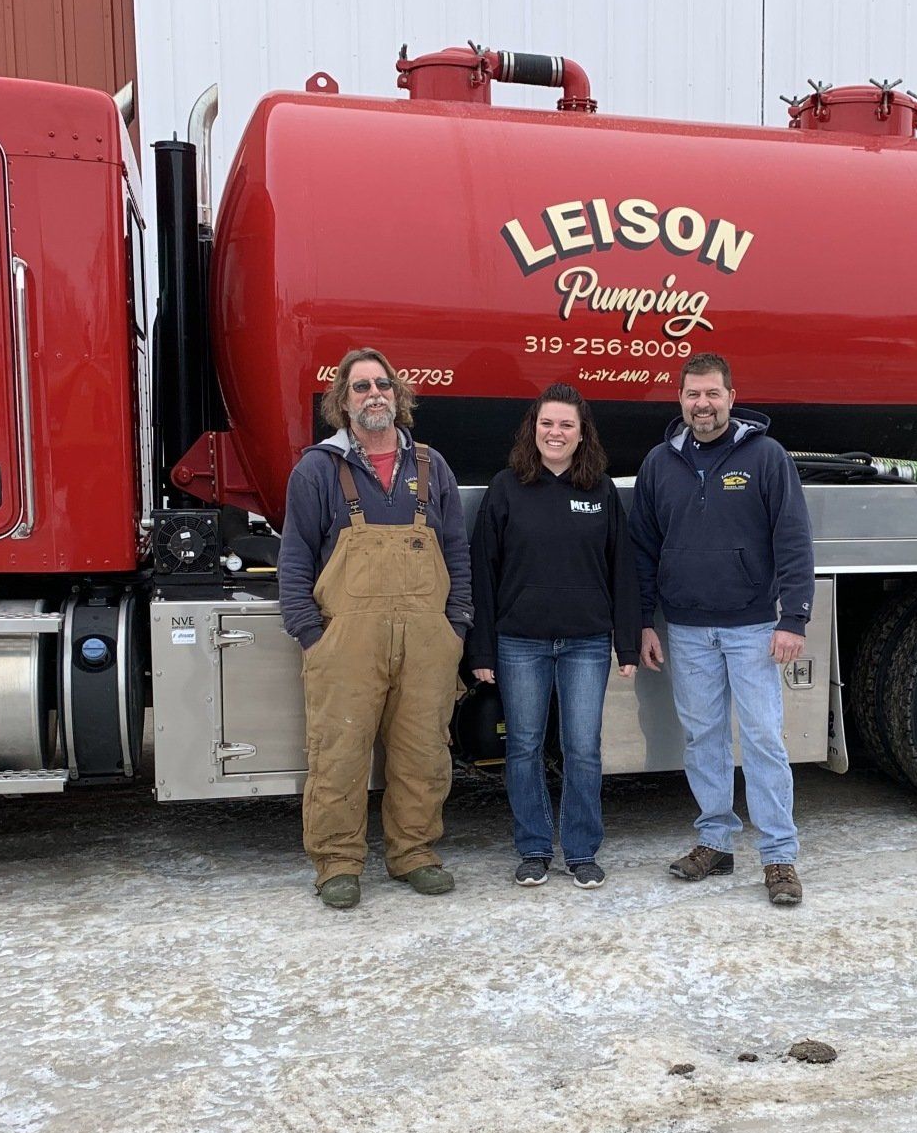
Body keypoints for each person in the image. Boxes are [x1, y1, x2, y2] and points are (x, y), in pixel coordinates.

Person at [279, 347, 473, 910]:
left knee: (422, 753)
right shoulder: (317, 469)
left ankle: (414, 852)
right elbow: (294, 559)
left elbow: (456, 553)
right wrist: (311, 634)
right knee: (339, 751)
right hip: (345, 641)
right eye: (360, 387)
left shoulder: (432, 467)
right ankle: (338, 861)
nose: (373, 395)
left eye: (382, 385)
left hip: (426, 639)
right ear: (343, 401)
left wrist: (455, 626)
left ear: (399, 396)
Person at [627, 353, 815, 906]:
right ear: (679, 400)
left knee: (761, 738)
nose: (702, 404)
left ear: (732, 398)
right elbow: (642, 550)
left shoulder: (766, 458)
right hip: (685, 630)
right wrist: (644, 621)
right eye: (692, 395)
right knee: (701, 738)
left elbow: (794, 540)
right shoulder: (660, 463)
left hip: (753, 628)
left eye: (712, 394)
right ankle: (715, 842)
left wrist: (794, 617)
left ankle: (779, 857)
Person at [468, 384, 640, 889]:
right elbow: (483, 570)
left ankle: (582, 850)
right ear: (533, 430)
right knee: (522, 746)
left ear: (582, 433)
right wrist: (481, 648)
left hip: (586, 642)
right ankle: (534, 848)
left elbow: (622, 571)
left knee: (582, 746)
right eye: (547, 423)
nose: (556, 433)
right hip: (520, 641)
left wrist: (625, 643)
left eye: (566, 424)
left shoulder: (601, 491)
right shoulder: (506, 487)